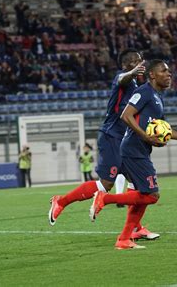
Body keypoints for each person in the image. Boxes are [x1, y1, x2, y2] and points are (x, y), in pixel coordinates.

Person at [48, 49, 159, 241]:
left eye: (140, 60)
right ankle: (62, 201)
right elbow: (123, 79)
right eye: (133, 62)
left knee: (138, 186)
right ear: (125, 66)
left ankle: (135, 228)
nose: (138, 64)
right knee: (105, 184)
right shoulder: (123, 79)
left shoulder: (140, 88)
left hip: (126, 142)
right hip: (111, 137)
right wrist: (131, 73)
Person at [89, 60, 177, 250]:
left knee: (143, 196)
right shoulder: (144, 92)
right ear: (152, 75)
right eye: (164, 71)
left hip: (140, 150)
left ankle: (123, 239)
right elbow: (126, 115)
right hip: (133, 149)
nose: (169, 74)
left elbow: (164, 129)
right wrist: (145, 136)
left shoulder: (158, 97)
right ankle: (105, 199)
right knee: (152, 195)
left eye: (170, 72)